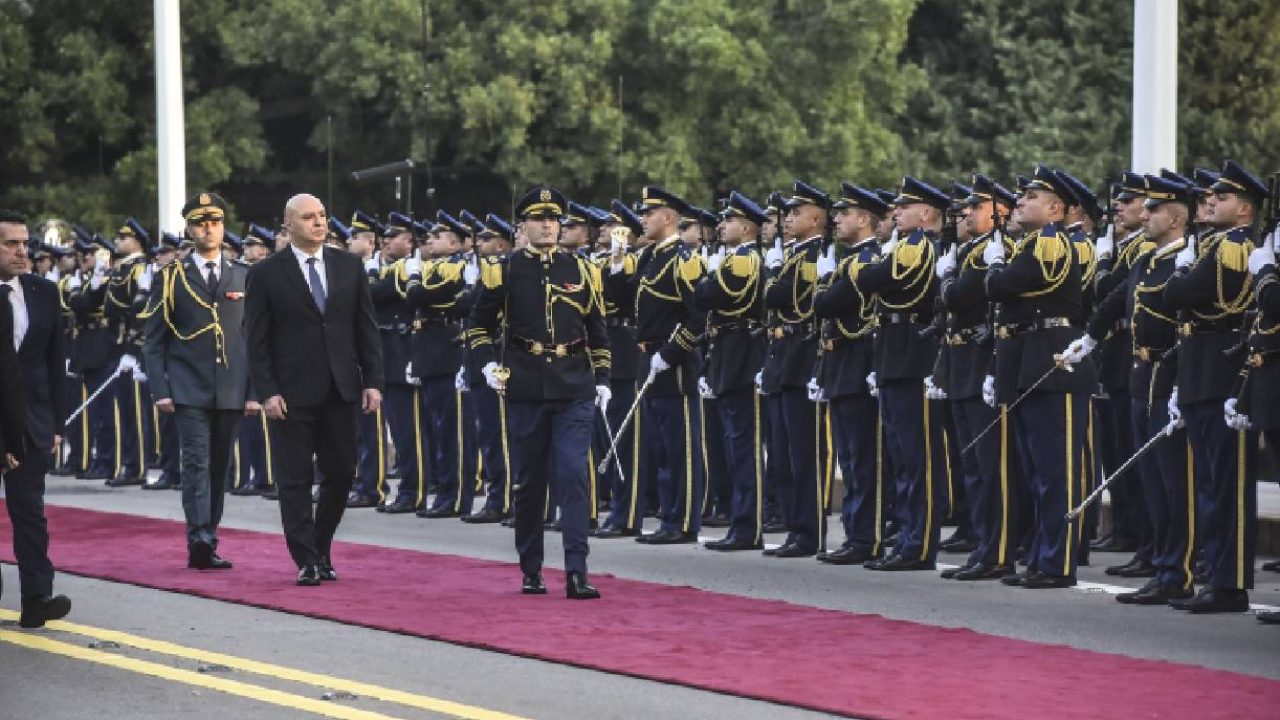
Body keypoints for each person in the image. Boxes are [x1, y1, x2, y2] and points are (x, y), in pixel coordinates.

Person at [469, 186, 609, 599]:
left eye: (553, 219)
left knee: (573, 475)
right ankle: (531, 567)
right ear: (524, 226)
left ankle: (577, 571)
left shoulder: (582, 270)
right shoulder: (505, 269)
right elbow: (477, 326)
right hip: (526, 386)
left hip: (574, 384)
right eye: (538, 219)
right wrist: (487, 365)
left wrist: (602, 379)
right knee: (530, 484)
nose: (548, 225)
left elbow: (597, 331)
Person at [245, 193, 383, 586]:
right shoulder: (266, 273)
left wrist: (373, 381)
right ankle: (305, 558)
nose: (319, 223)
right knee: (295, 478)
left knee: (341, 472)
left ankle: (320, 545)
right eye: (309, 218)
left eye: (322, 216)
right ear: (289, 226)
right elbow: (256, 341)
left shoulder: (348, 266)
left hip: (341, 388)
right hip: (290, 394)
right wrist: (266, 391)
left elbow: (365, 329)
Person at [142, 192, 256, 570]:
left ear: (223, 227)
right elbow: (154, 339)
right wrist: (160, 390)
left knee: (219, 466)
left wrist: (255, 392)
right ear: (188, 230)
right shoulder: (171, 276)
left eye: (214, 223)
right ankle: (200, 539)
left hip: (232, 387)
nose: (207, 230)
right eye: (199, 224)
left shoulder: (243, 274)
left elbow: (255, 339)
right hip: (188, 387)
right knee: (196, 463)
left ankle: (211, 532)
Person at [0, 209, 72, 628]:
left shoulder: (43, 293)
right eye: (11, 244)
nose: (22, 251)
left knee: (30, 513)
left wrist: (58, 426)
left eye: (24, 243)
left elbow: (52, 363)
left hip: (34, 424)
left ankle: (37, 598)